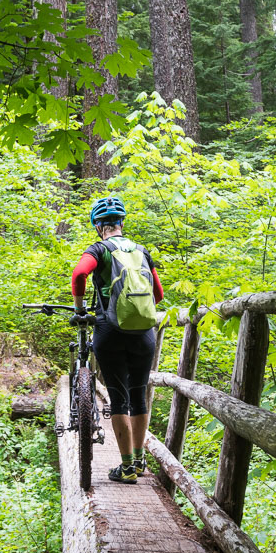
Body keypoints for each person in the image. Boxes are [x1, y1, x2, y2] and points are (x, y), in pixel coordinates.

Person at [70, 196, 164, 484]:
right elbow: (158, 295)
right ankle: (139, 460)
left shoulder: (100, 249)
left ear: (98, 226)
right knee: (139, 395)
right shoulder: (142, 251)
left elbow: (78, 275)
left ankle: (125, 468)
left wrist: (80, 308)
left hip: (109, 330)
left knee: (118, 397)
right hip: (144, 334)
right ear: (122, 223)